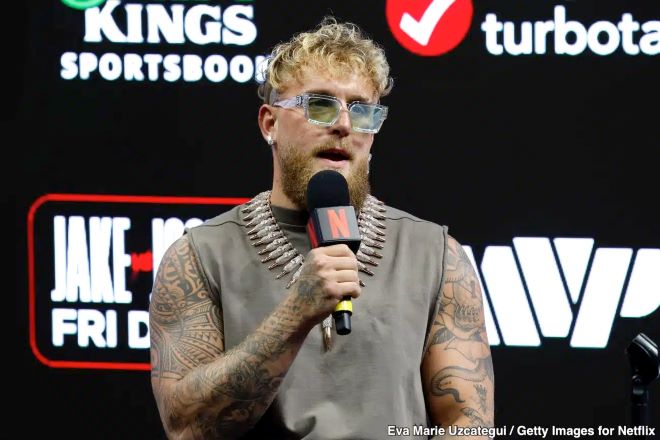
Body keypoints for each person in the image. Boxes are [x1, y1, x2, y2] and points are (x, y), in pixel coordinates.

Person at [149, 16, 495, 440]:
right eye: (320, 105)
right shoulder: (199, 256)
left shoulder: (435, 255)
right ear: (270, 123)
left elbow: (467, 423)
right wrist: (294, 315)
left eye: (362, 111)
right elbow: (187, 427)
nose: (344, 125)